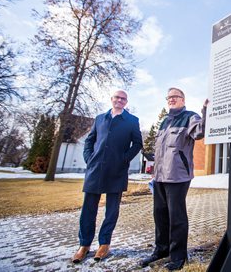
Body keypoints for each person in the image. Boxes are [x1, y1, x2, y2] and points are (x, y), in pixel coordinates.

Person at [140, 87, 208, 271]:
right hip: (160, 177)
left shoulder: (190, 117)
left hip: (178, 176)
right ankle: (161, 250)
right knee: (160, 215)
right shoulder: (164, 121)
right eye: (168, 97)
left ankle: (178, 256)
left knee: (176, 217)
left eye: (175, 97)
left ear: (183, 100)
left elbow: (200, 131)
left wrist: (206, 111)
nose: (171, 99)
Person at [72, 90, 143, 263]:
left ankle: (104, 244)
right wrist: (89, 159)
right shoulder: (99, 119)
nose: (119, 100)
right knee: (88, 209)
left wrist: (124, 159)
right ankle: (84, 245)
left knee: (111, 211)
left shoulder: (132, 121)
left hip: (117, 171)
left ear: (126, 102)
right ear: (112, 100)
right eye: (117, 97)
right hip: (95, 170)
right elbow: (89, 141)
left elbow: (138, 143)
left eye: (123, 98)